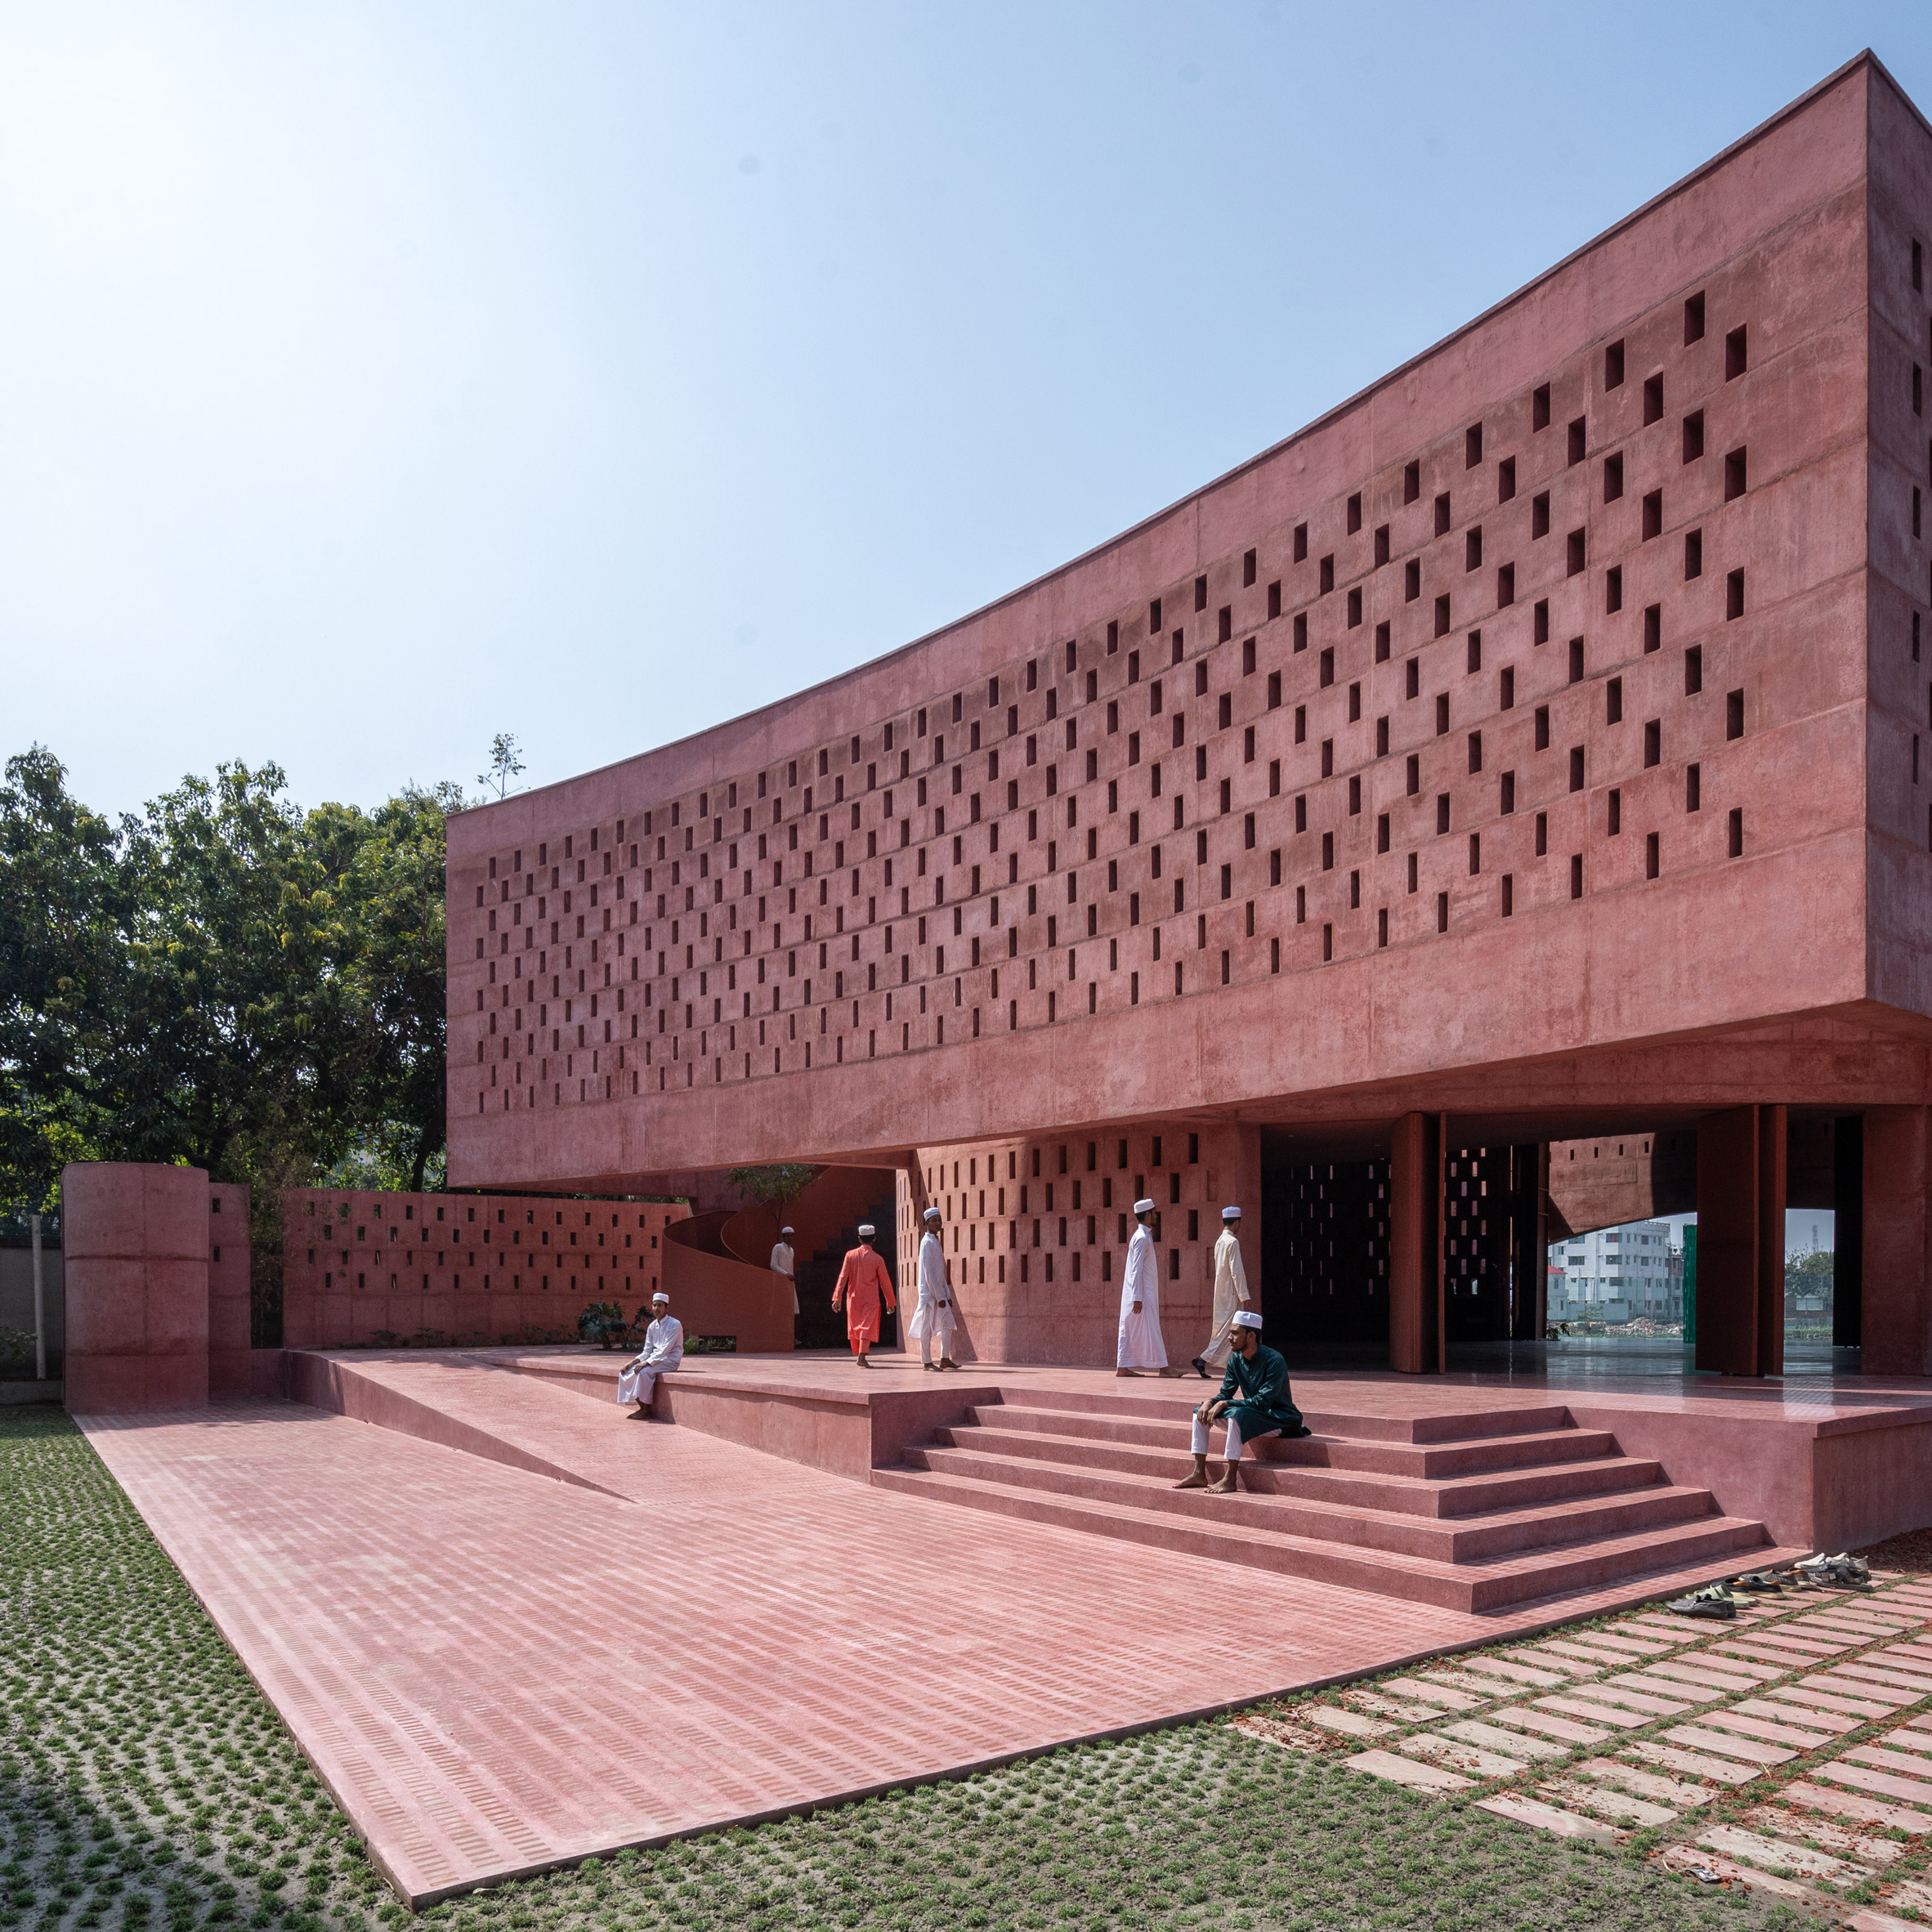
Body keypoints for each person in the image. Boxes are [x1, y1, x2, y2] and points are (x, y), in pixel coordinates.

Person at [1176, 1309, 1308, 1493]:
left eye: (1235, 1333)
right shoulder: (1235, 1359)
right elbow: (1226, 1394)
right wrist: (1210, 1401)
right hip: (1255, 1415)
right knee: (1200, 1411)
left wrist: (1226, 1404)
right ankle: (1199, 1473)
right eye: (1230, 1333)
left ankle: (1230, 1479)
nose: (1230, 1337)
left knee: (1237, 1415)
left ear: (1251, 1335)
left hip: (1281, 1419)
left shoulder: (1275, 1360)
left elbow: (1263, 1402)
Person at [1117, 1199, 1179, 1377]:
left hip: (1142, 1293)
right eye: (1154, 1212)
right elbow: (1135, 1269)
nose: (1156, 1215)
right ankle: (1164, 1368)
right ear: (1147, 1215)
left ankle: (1123, 1367)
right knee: (1145, 1327)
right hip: (1142, 1294)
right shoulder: (1142, 1238)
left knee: (1131, 1329)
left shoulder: (1143, 1237)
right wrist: (1137, 1297)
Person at [1191, 1205, 1252, 1380]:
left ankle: (1235, 1368)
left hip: (1222, 1292)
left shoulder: (1220, 1241)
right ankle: (1202, 1359)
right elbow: (1237, 1271)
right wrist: (1245, 1295)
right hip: (1232, 1294)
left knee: (1227, 1331)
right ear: (1237, 1222)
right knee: (1230, 1331)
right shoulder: (1233, 1242)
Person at [831, 1223, 897, 1367]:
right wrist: (890, 1302)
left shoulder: (850, 1255)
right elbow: (885, 1282)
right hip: (870, 1299)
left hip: (853, 1297)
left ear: (859, 1239)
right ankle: (861, 1355)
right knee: (866, 1326)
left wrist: (837, 1297)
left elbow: (843, 1277)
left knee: (856, 1325)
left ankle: (859, 1353)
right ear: (874, 1239)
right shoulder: (878, 1259)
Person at [908, 1205, 959, 1371]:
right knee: (926, 1328)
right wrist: (939, 1297)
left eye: (939, 1220)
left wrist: (946, 1294)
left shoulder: (935, 1241)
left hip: (939, 1293)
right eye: (934, 1221)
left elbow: (940, 1272)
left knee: (948, 1322)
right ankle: (927, 1362)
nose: (938, 1223)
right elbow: (929, 1274)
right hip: (929, 1294)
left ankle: (944, 1358)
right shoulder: (926, 1243)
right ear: (927, 1223)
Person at [616, 1291, 683, 1414]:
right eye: (654, 1305)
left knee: (643, 1372)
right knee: (626, 1373)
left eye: (659, 1305)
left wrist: (646, 1363)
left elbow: (665, 1349)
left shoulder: (675, 1324)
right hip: (654, 1359)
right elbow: (647, 1351)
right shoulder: (652, 1326)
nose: (656, 1308)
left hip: (670, 1360)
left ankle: (646, 1409)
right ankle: (641, 1406)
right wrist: (632, 1363)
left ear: (667, 1308)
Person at [771, 1224, 798, 1341]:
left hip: (789, 1283)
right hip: (780, 1282)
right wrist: (786, 1274)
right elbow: (773, 1265)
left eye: (792, 1236)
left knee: (792, 1310)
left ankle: (790, 1337)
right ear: (783, 1236)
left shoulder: (791, 1250)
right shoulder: (778, 1248)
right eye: (788, 1236)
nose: (790, 1238)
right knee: (780, 1309)